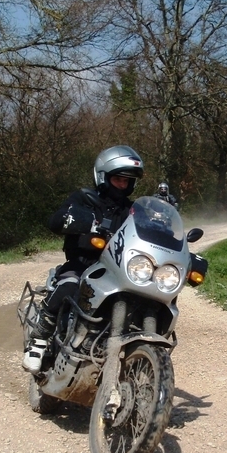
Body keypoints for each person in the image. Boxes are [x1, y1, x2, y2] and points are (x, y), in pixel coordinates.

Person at [22, 145, 144, 374]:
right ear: (104, 177)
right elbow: (56, 221)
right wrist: (78, 220)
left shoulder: (133, 209)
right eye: (118, 178)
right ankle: (38, 341)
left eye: (127, 181)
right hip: (84, 265)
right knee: (69, 285)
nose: (123, 184)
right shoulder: (84, 199)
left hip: (118, 272)